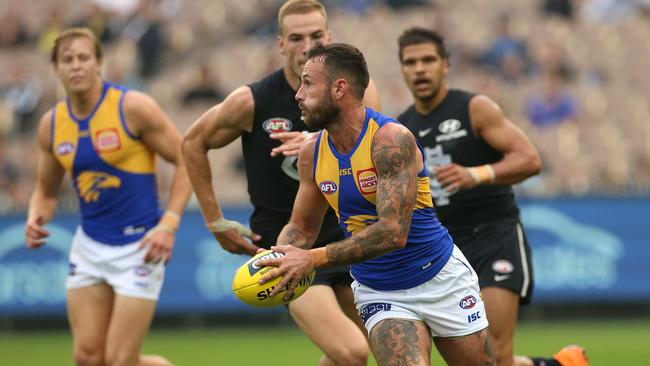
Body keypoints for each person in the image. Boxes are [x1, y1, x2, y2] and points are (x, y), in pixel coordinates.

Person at [256, 42, 495, 366]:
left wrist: (311, 259)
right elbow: (301, 228)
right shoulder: (312, 154)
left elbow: (393, 232)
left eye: (308, 83)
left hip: (440, 277)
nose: (298, 94)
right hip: (380, 291)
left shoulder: (390, 140)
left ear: (339, 88)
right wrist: (279, 258)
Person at [181, 1, 379, 365]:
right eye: (297, 37)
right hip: (288, 246)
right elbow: (193, 142)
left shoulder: (353, 93)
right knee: (351, 352)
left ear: (329, 37)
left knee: (390, 351)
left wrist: (319, 145)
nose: (308, 45)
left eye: (317, 35)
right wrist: (214, 220)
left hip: (346, 240)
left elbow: (378, 152)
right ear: (281, 44)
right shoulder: (253, 101)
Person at [395, 27, 588, 366]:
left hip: (493, 234)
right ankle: (558, 364)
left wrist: (477, 173)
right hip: (446, 249)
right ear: (402, 69)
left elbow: (530, 159)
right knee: (479, 359)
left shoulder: (474, 108)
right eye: (411, 62)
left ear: (446, 65)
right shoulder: (401, 129)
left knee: (495, 352)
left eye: (428, 60)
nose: (420, 69)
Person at [24, 28, 191, 366]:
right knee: (87, 358)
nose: (76, 66)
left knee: (119, 361)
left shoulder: (133, 107)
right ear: (55, 69)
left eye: (84, 57)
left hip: (140, 247)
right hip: (89, 245)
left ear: (99, 62)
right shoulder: (52, 125)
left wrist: (169, 224)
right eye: (67, 59)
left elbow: (188, 160)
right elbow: (45, 191)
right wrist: (35, 216)